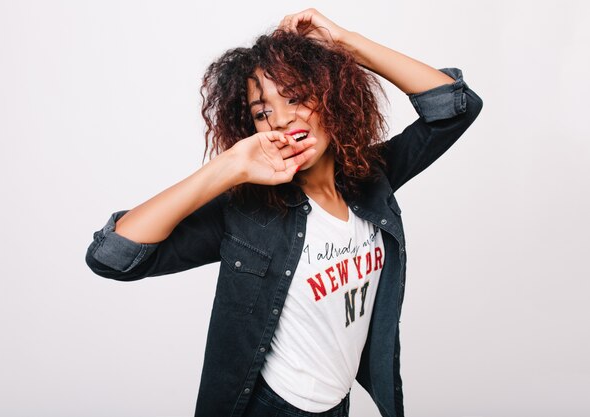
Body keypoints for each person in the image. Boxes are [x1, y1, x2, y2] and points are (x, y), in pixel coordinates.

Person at [85, 8, 483, 417]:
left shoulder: (370, 178)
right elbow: (113, 257)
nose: (282, 118)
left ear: (332, 95)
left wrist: (346, 42)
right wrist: (228, 167)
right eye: (262, 112)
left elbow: (455, 107)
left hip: (336, 404)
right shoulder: (248, 212)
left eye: (295, 96)